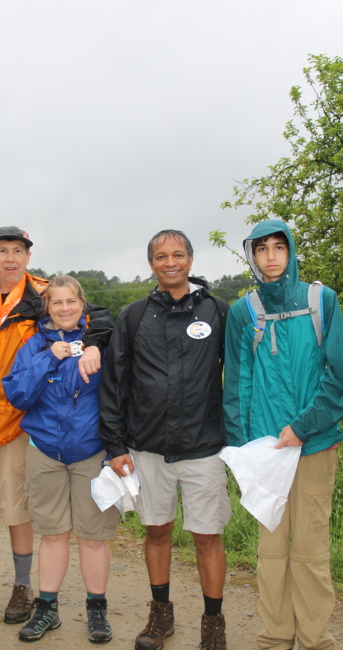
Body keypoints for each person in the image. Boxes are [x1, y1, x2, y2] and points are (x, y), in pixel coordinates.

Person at [0, 226, 113, 627]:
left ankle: (21, 587)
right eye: (2, 251)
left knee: (18, 510)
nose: (10, 258)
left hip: (16, 425)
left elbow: (93, 315)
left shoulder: (45, 295)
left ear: (29, 256)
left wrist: (95, 342)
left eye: (17, 251)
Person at [223, 220, 343, 650]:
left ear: (292, 250)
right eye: (262, 250)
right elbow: (236, 385)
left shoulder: (321, 300)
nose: (272, 256)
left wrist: (302, 427)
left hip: (314, 444)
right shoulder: (244, 312)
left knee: (312, 552)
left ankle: (316, 641)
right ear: (252, 257)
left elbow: (339, 378)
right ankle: (274, 639)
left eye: (280, 247)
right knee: (271, 552)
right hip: (266, 451)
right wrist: (243, 448)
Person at [98, 229, 231, 650]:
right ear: (151, 263)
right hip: (147, 448)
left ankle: (213, 624)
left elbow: (242, 377)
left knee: (207, 537)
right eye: (160, 256)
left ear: (191, 260)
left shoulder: (218, 311)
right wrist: (115, 446)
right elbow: (114, 383)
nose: (169, 262)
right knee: (156, 533)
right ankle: (161, 616)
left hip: (203, 447)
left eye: (177, 255)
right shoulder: (134, 316)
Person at [2, 274, 120, 643]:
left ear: (83, 304)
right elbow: (17, 394)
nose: (65, 308)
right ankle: (47, 609)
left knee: (93, 537)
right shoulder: (34, 344)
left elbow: (121, 394)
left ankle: (96, 610)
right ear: (47, 307)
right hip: (45, 453)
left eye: (72, 302)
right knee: (53, 535)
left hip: (91, 453)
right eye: (57, 303)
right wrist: (48, 359)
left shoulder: (100, 342)